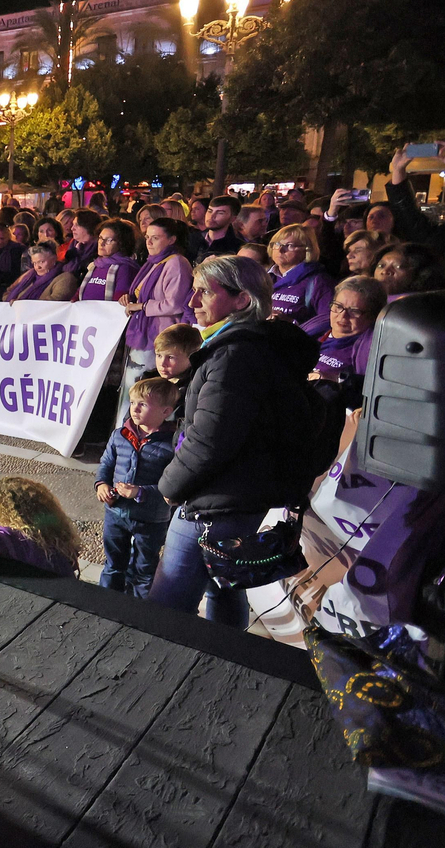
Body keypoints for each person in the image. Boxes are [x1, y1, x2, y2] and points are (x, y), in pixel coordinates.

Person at [149, 255, 321, 629]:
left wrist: (169, 486)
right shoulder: (245, 345)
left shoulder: (235, 355)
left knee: (165, 608)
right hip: (239, 495)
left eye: (204, 293)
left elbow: (210, 440)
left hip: (215, 503)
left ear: (242, 300)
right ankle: (227, 659)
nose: (192, 302)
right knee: (224, 584)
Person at [95, 377, 179, 597]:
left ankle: (139, 612)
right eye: (133, 403)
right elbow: (106, 463)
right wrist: (102, 484)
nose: (135, 408)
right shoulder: (120, 435)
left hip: (151, 519)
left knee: (144, 570)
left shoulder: (172, 444)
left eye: (143, 404)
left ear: (165, 411)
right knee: (113, 564)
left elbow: (173, 483)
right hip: (116, 512)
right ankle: (105, 604)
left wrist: (141, 492)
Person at [118, 218, 193, 420]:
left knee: (144, 388)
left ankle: (141, 431)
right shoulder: (152, 263)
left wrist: (141, 306)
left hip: (158, 335)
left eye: (155, 238)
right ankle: (124, 432)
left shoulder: (176, 263)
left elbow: (174, 303)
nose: (149, 242)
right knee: (133, 386)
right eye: (147, 237)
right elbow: (143, 294)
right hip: (144, 331)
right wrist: (130, 298)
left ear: (171, 240)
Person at [310, 275, 385, 412]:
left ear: (373, 316)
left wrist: (336, 380)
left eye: (354, 311)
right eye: (338, 306)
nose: (343, 316)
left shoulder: (368, 352)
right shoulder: (315, 330)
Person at [266, 224, 335, 335]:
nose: (280, 249)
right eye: (277, 244)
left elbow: (329, 320)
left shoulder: (318, 281)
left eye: (289, 245)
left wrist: (291, 323)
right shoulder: (264, 278)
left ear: (307, 250)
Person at [151, 323, 202, 424]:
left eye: (170, 357)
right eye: (159, 355)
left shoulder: (192, 389)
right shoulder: (148, 380)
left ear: (191, 357)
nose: (162, 364)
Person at [78, 220, 139, 302]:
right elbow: (79, 293)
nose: (102, 243)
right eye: (100, 238)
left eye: (109, 240)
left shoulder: (125, 268)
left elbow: (119, 301)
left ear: (121, 244)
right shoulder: (96, 265)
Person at [4, 244, 77, 302]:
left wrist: (23, 305)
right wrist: (11, 303)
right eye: (35, 263)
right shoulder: (29, 274)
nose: (38, 267)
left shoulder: (65, 278)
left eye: (42, 262)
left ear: (54, 259)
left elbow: (56, 301)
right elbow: (8, 292)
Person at [0, 219, 27, 301]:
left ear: (8, 237)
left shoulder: (17, 250)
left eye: (2, 239)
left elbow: (17, 273)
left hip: (9, 288)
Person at [199, 196, 245, 260]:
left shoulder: (238, 248)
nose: (212, 216)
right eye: (210, 211)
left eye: (220, 213)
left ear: (233, 218)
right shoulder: (193, 239)